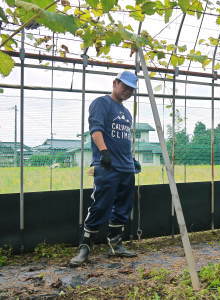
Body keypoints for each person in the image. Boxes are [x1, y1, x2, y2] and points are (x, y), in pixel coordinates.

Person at [70, 70, 141, 267]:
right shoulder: (101, 103)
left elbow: (124, 140)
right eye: (125, 87)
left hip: (126, 168)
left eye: (131, 90)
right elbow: (96, 129)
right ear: (115, 83)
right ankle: (85, 247)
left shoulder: (126, 113)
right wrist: (104, 152)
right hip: (108, 166)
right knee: (100, 205)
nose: (127, 91)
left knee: (123, 207)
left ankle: (116, 244)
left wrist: (131, 160)